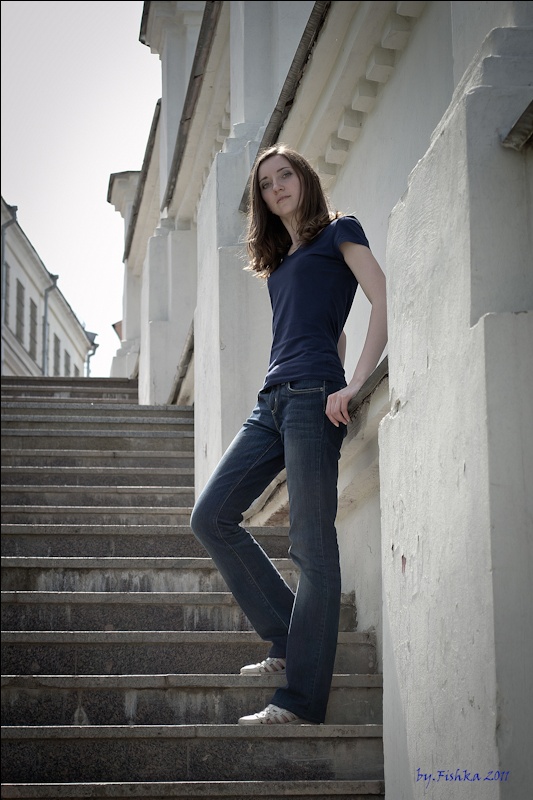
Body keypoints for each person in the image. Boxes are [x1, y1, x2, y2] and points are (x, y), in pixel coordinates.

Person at [190, 143, 387, 725]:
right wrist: (333, 362)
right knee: (211, 516)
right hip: (272, 400)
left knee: (311, 546)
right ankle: (285, 633)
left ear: (304, 180)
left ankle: (300, 699)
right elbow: (330, 330)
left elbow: (381, 297)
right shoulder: (281, 262)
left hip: (312, 400)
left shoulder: (340, 230)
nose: (277, 186)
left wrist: (353, 385)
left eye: (285, 175)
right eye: (266, 183)